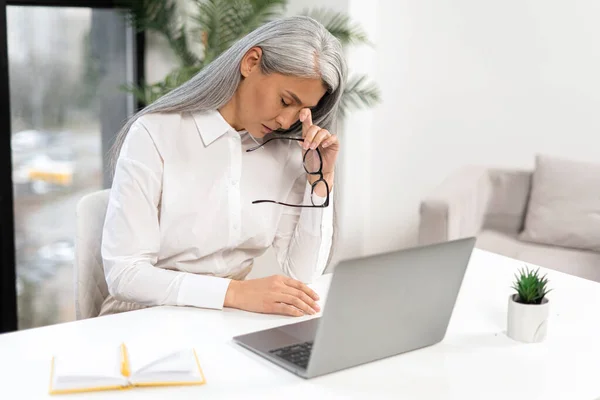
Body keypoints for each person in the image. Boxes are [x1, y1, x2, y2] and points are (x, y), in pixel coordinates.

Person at [99, 15, 347, 318]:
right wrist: (235, 292)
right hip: (141, 318)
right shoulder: (156, 133)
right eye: (285, 100)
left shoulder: (285, 151)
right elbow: (124, 275)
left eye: (301, 112)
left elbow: (302, 275)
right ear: (251, 62)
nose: (287, 121)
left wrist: (320, 180)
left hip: (224, 320)